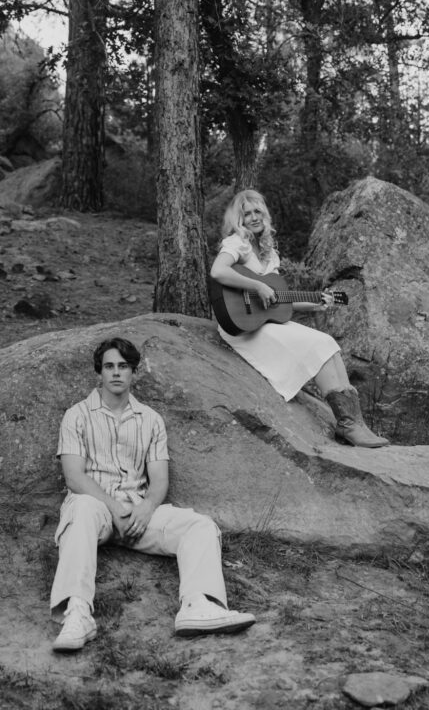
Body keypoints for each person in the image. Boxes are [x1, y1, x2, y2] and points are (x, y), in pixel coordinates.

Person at [50, 336, 256, 652]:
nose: (116, 373)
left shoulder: (151, 419)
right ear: (99, 373)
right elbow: (74, 477)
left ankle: (198, 605)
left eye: (123, 366)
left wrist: (145, 509)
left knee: (199, 526)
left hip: (138, 512)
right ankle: (77, 615)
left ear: (134, 372)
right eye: (109, 367)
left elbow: (159, 479)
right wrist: (113, 508)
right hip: (96, 508)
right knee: (79, 510)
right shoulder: (76, 415)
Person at [210, 189, 389, 449]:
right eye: (246, 214)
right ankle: (349, 425)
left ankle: (353, 423)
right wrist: (257, 286)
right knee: (315, 346)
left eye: (257, 211)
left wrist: (317, 303)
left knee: (328, 342)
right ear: (239, 219)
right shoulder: (238, 243)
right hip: (243, 328)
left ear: (265, 214)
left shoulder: (270, 254)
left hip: (263, 322)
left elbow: (279, 299)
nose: (253, 217)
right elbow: (218, 271)